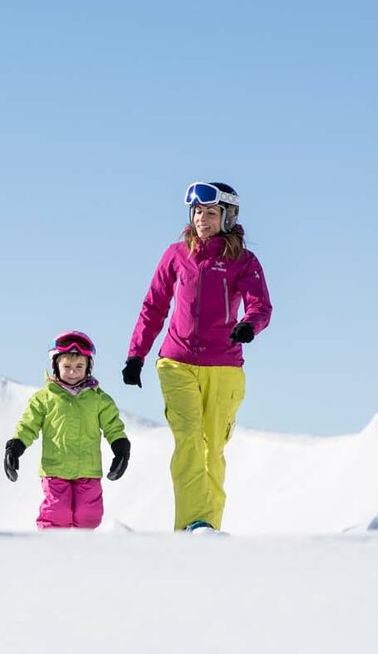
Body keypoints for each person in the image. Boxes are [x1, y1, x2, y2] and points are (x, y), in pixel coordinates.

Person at [122, 182, 273, 533]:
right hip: (177, 363)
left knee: (213, 450)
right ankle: (192, 525)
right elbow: (154, 306)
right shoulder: (176, 255)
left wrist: (249, 326)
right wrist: (136, 355)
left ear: (228, 216)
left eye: (211, 213)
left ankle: (208, 531)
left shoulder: (243, 261)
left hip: (224, 366)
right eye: (198, 212)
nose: (202, 219)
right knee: (188, 441)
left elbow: (260, 305)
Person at [4, 331, 130, 529]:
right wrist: (15, 447)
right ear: (56, 366)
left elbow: (113, 426)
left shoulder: (98, 399)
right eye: (67, 367)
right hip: (55, 470)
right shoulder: (44, 398)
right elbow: (28, 425)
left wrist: (120, 449)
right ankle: (52, 543)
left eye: (79, 366)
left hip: (88, 470)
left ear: (89, 367)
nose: (73, 372)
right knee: (58, 513)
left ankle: (83, 545)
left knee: (89, 515)